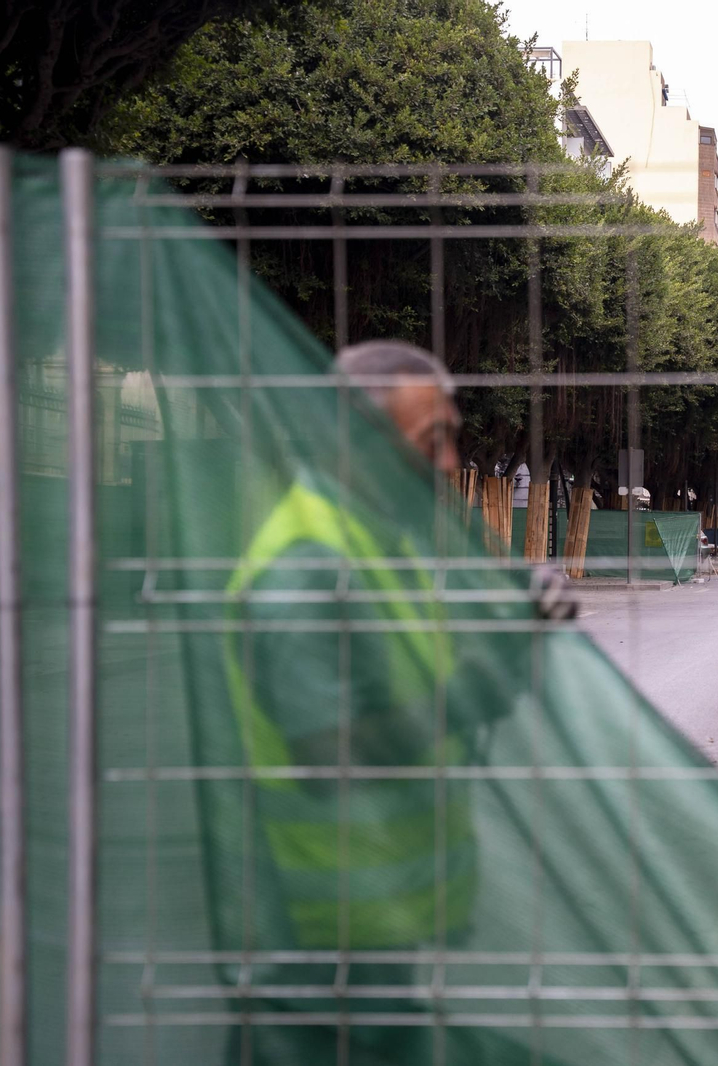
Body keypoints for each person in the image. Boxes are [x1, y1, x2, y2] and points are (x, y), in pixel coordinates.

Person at [205, 339, 570, 1064]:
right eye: (431, 441)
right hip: (319, 930)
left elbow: (416, 667)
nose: (447, 464)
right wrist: (479, 685)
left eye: (452, 438)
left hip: (368, 915)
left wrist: (514, 618)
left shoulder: (374, 542)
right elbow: (330, 751)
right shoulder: (309, 570)